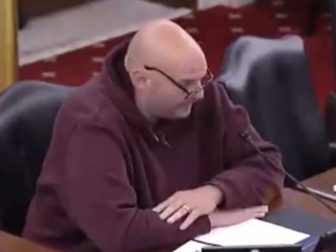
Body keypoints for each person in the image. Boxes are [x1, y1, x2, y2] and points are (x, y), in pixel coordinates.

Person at [23, 20, 284, 252]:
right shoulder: (91, 123)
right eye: (187, 84)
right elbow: (119, 234)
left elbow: (267, 163)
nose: (200, 92)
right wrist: (211, 219)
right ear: (142, 80)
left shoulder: (203, 97)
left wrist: (214, 193)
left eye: (201, 79)